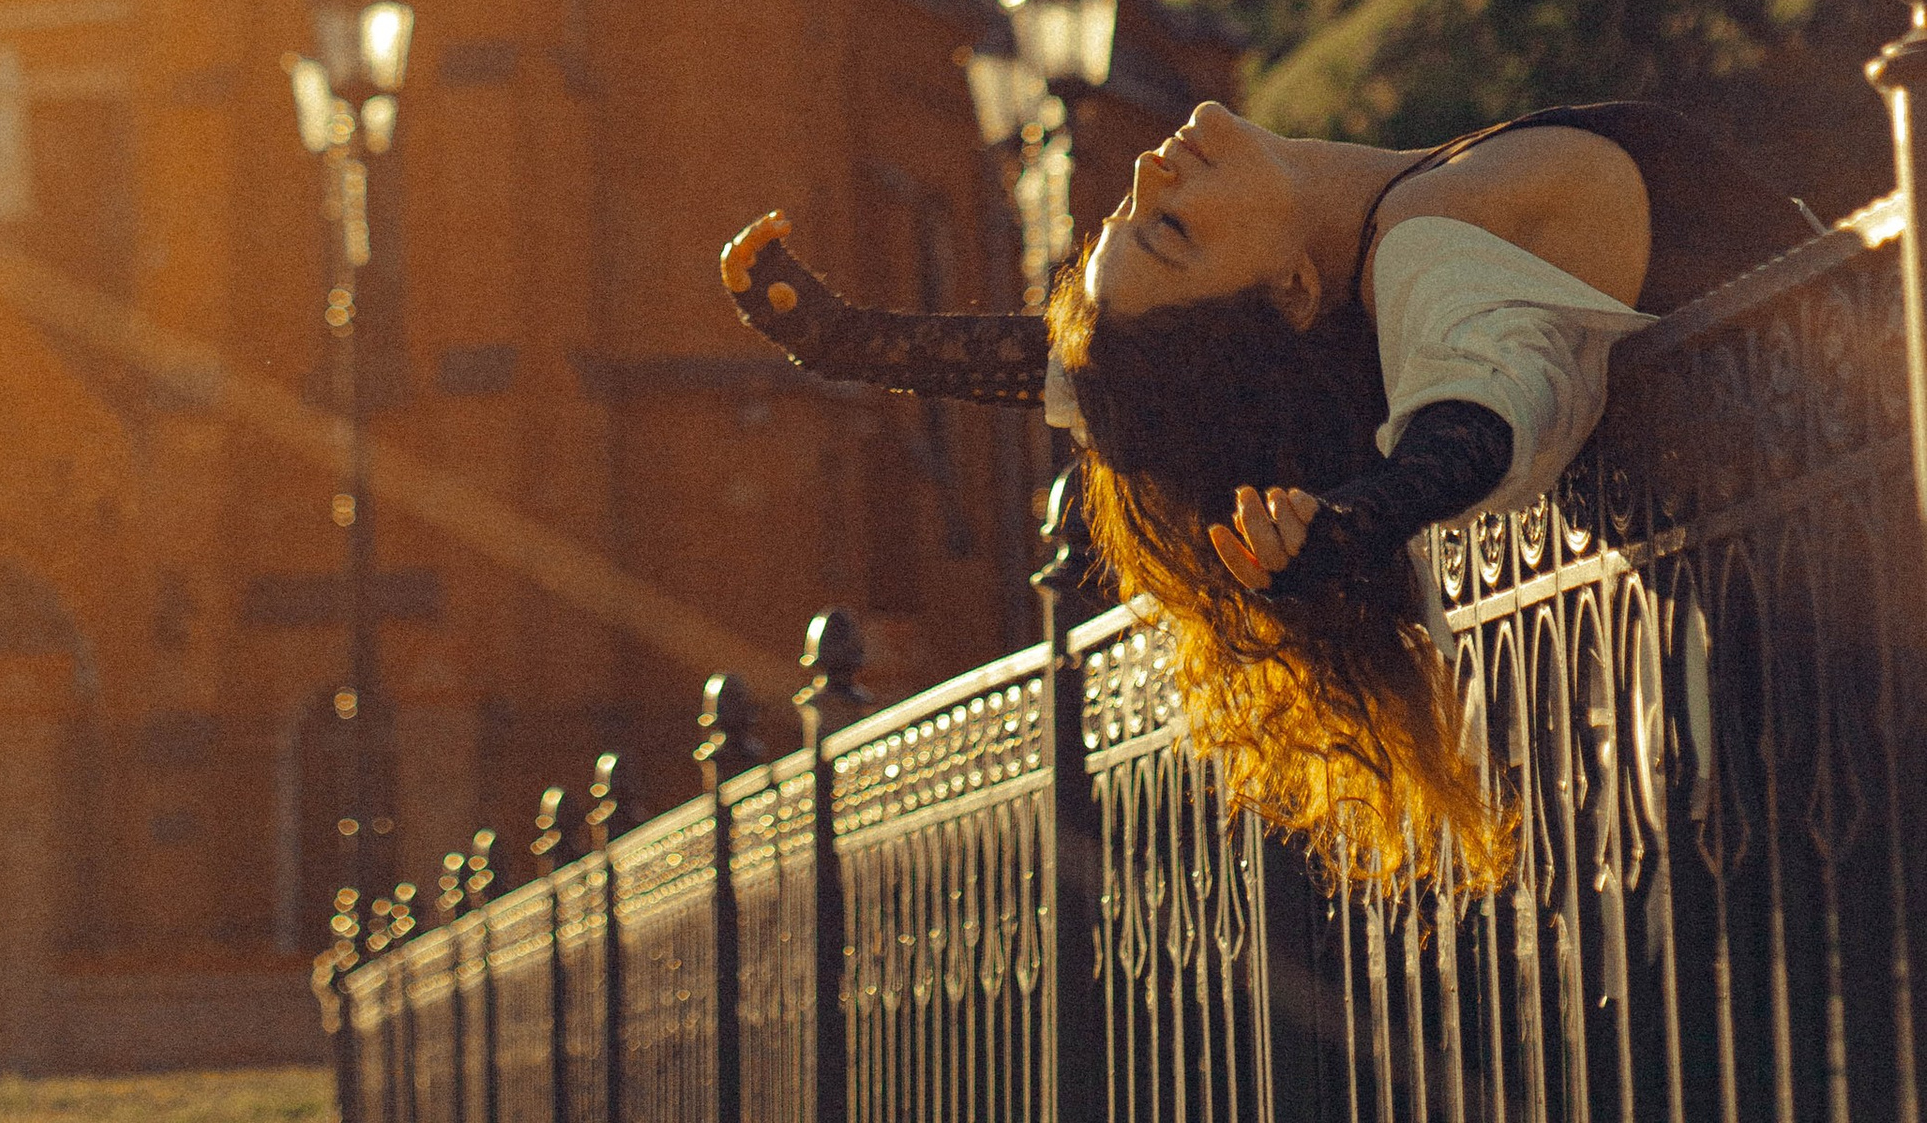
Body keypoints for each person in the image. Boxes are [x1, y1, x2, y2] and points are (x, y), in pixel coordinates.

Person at [721, 98, 1823, 890]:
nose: (1147, 173)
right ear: (1291, 291)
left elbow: (1105, 368)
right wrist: (1364, 517)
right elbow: (1485, 406)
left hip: (1803, 622)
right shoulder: (1428, 251)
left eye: (1129, 219)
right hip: (1842, 604)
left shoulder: (1370, 262)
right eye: (1171, 230)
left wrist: (847, 340)